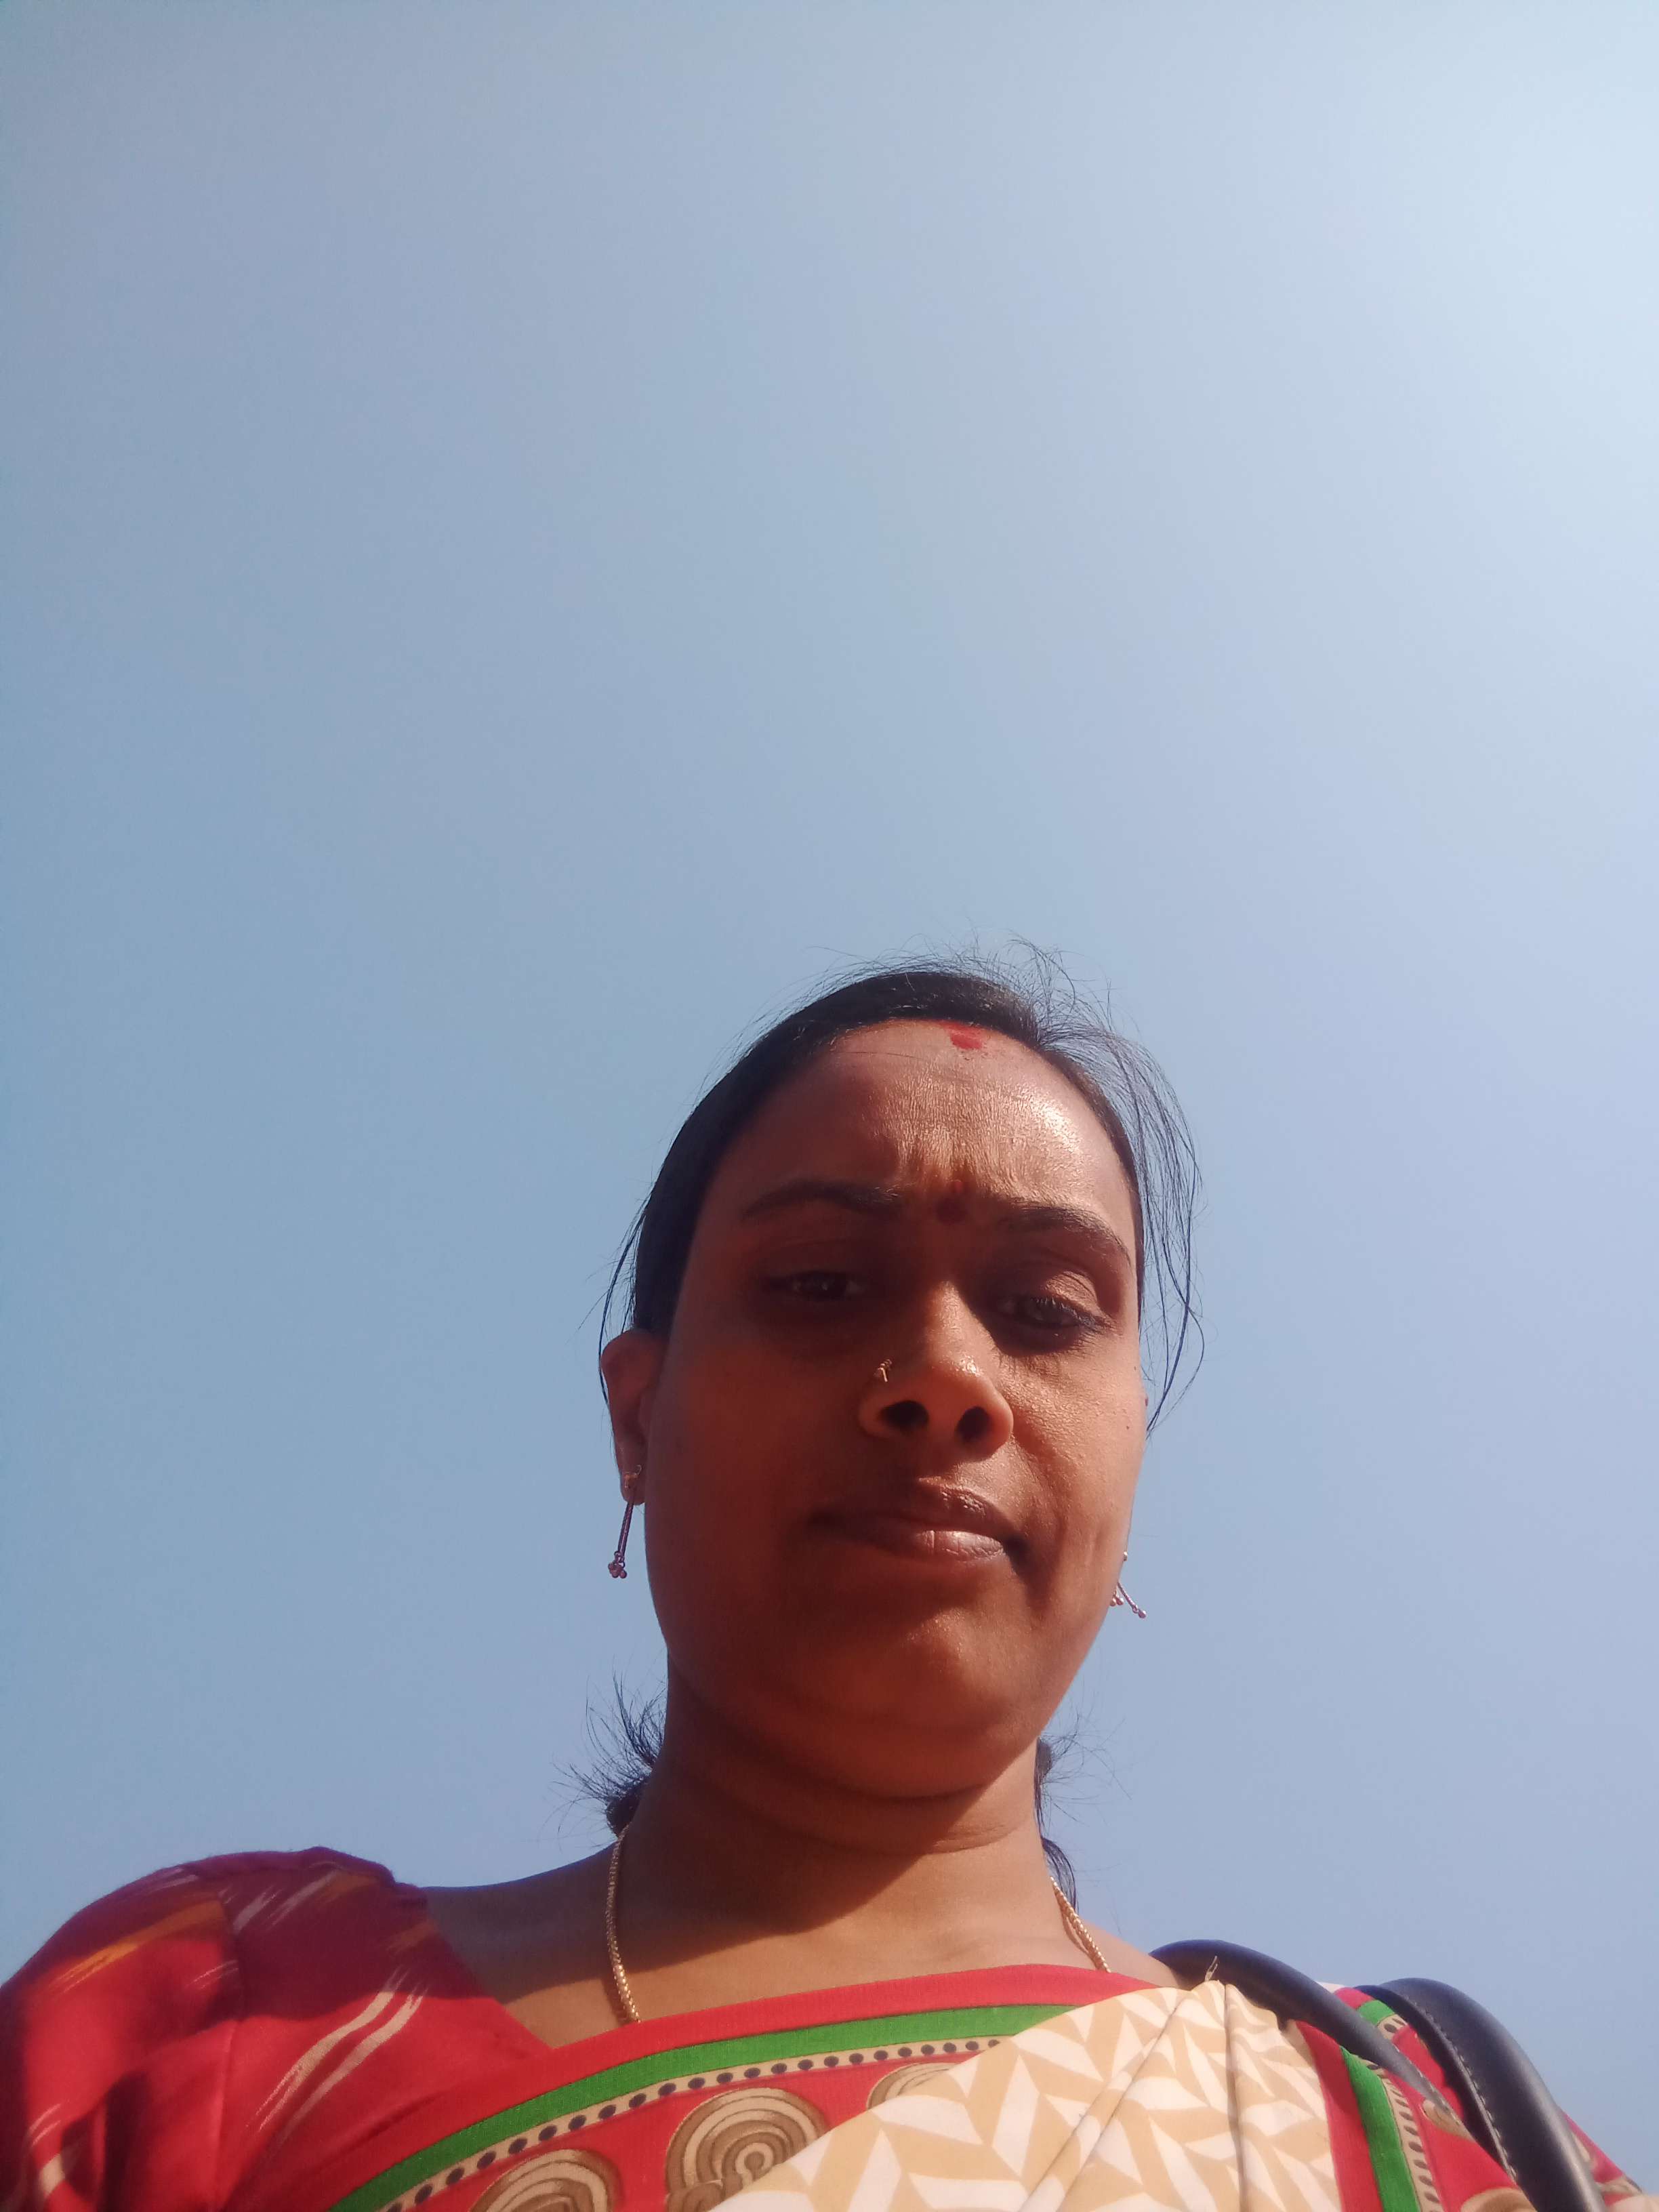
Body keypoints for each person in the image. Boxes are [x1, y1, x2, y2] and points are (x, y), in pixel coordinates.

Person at [2, 956, 1645, 2212]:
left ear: (1134, 1455)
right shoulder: (203, 2020)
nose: (943, 1379)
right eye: (816, 1283)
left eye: (1047, 1311)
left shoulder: (1404, 2131)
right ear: (637, 1423)